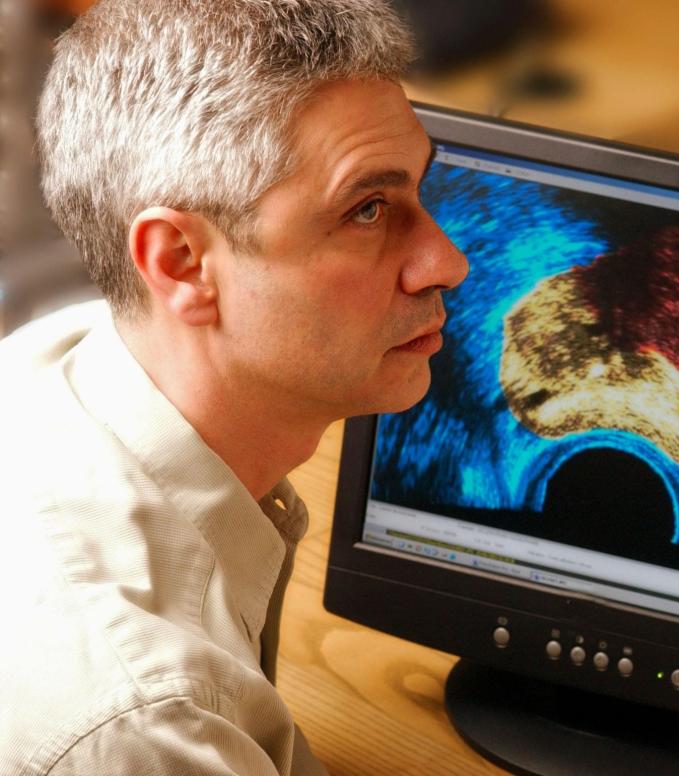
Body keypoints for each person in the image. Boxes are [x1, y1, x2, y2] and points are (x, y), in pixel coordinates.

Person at [0, 1, 468, 773]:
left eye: (419, 191)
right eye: (368, 209)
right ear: (181, 262)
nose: (445, 262)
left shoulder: (53, 356)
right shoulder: (148, 726)